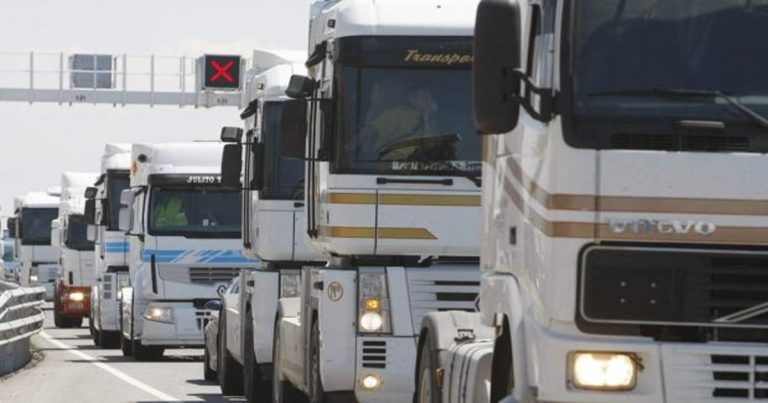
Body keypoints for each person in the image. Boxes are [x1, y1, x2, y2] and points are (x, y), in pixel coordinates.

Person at [360, 84, 439, 161]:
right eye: (425, 96)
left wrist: (427, 118)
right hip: (388, 161)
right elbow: (372, 128)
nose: (430, 100)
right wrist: (350, 147)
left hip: (412, 165)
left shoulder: (430, 122)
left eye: (430, 97)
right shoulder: (400, 112)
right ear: (412, 100)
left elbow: (428, 149)